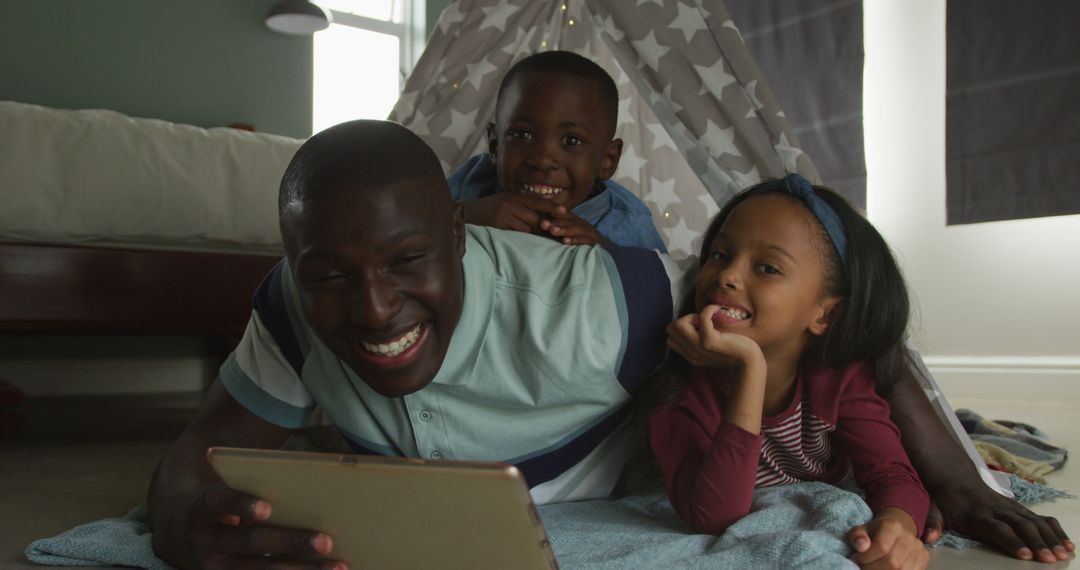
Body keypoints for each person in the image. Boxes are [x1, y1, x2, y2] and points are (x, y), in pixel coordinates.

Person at [146, 119, 684, 569]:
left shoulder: (606, 305)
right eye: (331, 277)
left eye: (405, 261)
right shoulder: (290, 303)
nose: (375, 311)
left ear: (458, 233)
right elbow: (204, 447)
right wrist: (179, 527)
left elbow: (749, 297)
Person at [647, 174, 929, 568]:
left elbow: (893, 475)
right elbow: (714, 515)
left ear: (824, 314)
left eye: (767, 268)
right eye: (720, 255)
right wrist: (750, 367)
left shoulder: (840, 377)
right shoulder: (680, 381)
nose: (727, 276)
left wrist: (896, 525)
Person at [446, 50, 667, 251]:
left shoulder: (628, 224)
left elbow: (656, 288)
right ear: (495, 145)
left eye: (572, 140)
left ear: (607, 160)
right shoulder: (473, 182)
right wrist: (461, 215)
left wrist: (607, 255)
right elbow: (414, 226)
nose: (542, 160)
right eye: (523, 135)